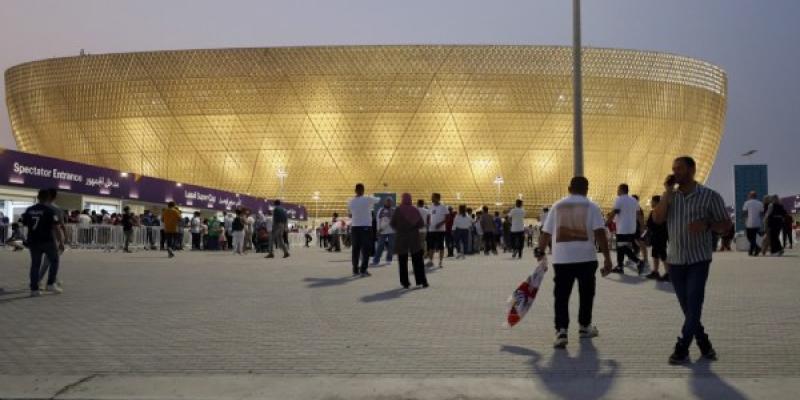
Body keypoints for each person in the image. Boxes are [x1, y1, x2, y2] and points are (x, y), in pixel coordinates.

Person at [652, 156, 731, 365]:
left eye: (680, 168)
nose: (675, 172)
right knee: (688, 308)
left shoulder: (710, 196)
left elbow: (725, 224)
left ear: (692, 169)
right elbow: (657, 219)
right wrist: (667, 193)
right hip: (675, 260)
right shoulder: (671, 197)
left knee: (694, 304)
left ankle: (681, 348)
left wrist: (706, 225)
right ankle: (704, 343)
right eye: (673, 169)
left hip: (698, 259)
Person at [538, 176, 613, 349]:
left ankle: (561, 331)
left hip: (562, 259)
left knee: (561, 296)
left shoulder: (557, 206)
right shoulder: (592, 207)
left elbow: (545, 233)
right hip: (586, 258)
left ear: (569, 188)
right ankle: (584, 327)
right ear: (587, 189)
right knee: (587, 294)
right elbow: (600, 234)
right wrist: (608, 259)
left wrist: (540, 251)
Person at [22, 188, 66, 296]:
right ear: (48, 197)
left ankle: (34, 289)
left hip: (33, 241)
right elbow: (56, 228)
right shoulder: (50, 211)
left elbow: (25, 224)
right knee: (54, 260)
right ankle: (50, 283)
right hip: (47, 241)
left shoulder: (29, 210)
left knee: (35, 264)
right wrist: (61, 241)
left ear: (38, 197)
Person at [390, 193, 429, 289]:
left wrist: (399, 229)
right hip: (414, 238)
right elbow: (421, 224)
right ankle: (421, 281)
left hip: (401, 238)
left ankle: (405, 283)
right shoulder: (414, 210)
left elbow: (392, 224)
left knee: (402, 261)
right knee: (418, 261)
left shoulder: (398, 210)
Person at [609, 184, 645, 275]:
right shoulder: (634, 200)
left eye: (618, 189)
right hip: (631, 228)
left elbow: (615, 211)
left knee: (622, 247)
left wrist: (607, 222)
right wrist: (642, 225)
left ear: (621, 190)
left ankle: (638, 262)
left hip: (622, 228)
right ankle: (620, 266)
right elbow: (638, 214)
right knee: (621, 247)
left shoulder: (619, 199)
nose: (617, 191)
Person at [347, 184, 379, 276]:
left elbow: (349, 214)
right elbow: (378, 199)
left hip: (355, 227)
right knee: (366, 250)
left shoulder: (351, 201)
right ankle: (363, 269)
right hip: (365, 227)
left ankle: (355, 269)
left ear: (355, 190)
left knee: (355, 249)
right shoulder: (367, 199)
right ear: (363, 190)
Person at [644, 196, 669, 281]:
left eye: (652, 202)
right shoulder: (665, 211)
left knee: (662, 254)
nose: (651, 203)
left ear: (656, 202)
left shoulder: (655, 211)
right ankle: (656, 271)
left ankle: (668, 273)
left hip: (657, 235)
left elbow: (652, 224)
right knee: (656, 254)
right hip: (662, 235)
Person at [372, 197, 396, 266]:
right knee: (380, 246)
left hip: (392, 231)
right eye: (387, 201)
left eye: (390, 201)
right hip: (382, 231)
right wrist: (378, 230)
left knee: (391, 246)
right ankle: (376, 260)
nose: (389, 203)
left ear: (392, 203)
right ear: (385, 202)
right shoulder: (381, 210)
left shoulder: (393, 210)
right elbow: (378, 220)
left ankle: (389, 260)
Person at [427, 193, 448, 268]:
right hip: (431, 230)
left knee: (441, 246)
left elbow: (447, 218)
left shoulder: (443, 207)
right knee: (431, 246)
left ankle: (440, 262)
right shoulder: (431, 206)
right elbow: (429, 216)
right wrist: (429, 224)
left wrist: (440, 224)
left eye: (432, 197)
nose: (431, 198)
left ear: (437, 198)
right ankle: (430, 261)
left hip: (440, 230)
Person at [742, 191, 764, 256]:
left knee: (749, 237)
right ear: (756, 196)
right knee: (753, 237)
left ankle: (757, 248)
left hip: (749, 222)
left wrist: (743, 220)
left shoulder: (747, 203)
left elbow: (745, 212)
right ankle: (751, 251)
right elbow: (762, 213)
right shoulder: (760, 203)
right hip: (757, 223)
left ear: (750, 196)